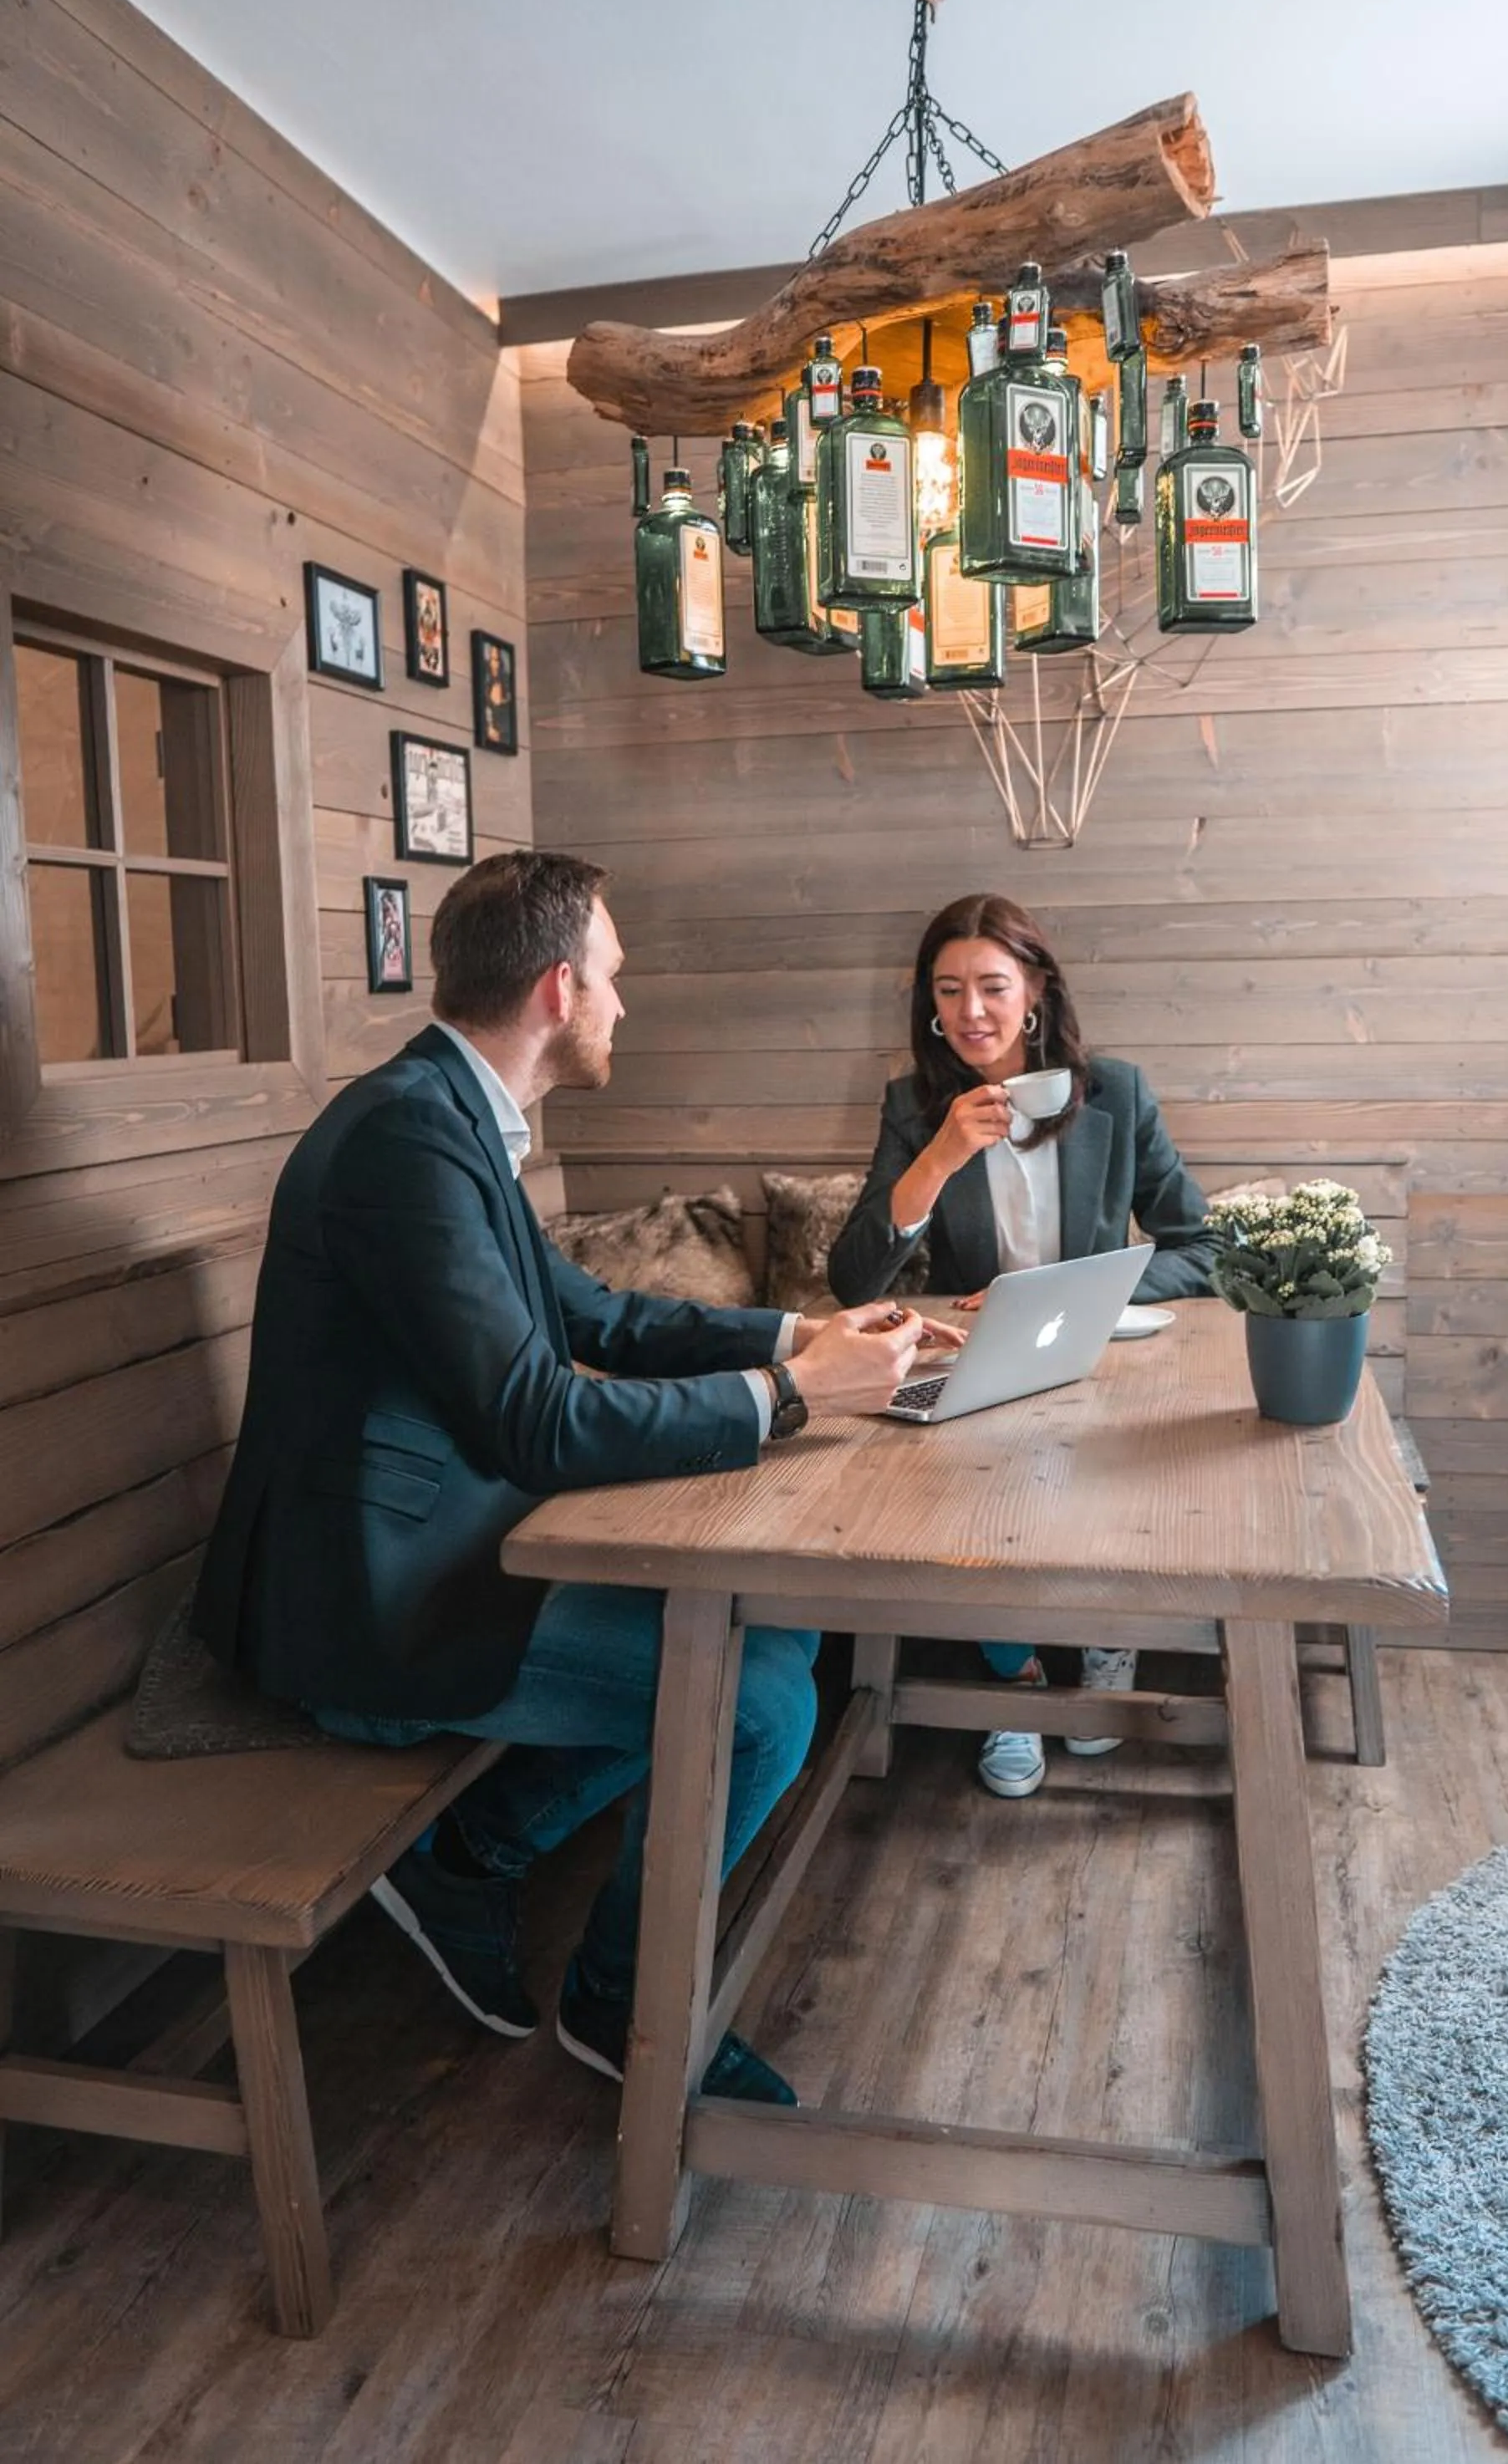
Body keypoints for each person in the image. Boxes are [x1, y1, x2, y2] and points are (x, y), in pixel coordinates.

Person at [195, 850, 951, 2107]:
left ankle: (477, 1851)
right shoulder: (406, 1141)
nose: (621, 1004)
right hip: (367, 1607)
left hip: (449, 1547)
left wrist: (797, 1337)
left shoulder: (447, 1113)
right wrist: (801, 1397)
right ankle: (627, 2003)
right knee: (758, 1698)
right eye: (613, 978)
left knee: (756, 1631)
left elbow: (589, 1313)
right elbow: (534, 1423)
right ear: (557, 989)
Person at [828, 892, 1215, 1802]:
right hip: (983, 1369)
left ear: (1034, 990)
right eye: (949, 990)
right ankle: (1015, 1680)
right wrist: (936, 1158)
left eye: (993, 987)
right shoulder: (911, 1106)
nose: (971, 1012)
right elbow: (852, 1282)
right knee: (963, 1481)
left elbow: (1196, 1246)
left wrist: (1086, 1295)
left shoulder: (1114, 1092)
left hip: (1103, 1358)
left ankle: (1104, 1638)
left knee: (1117, 1458)